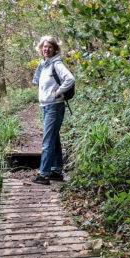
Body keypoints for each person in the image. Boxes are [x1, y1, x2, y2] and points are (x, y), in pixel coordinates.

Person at [31, 36, 75, 185]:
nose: (46, 49)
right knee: (54, 139)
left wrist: (59, 92)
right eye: (44, 47)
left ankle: (43, 174)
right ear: (41, 49)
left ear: (55, 49)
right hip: (46, 106)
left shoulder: (57, 64)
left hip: (54, 106)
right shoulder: (43, 65)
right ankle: (56, 171)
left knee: (47, 141)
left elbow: (70, 79)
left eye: (49, 47)